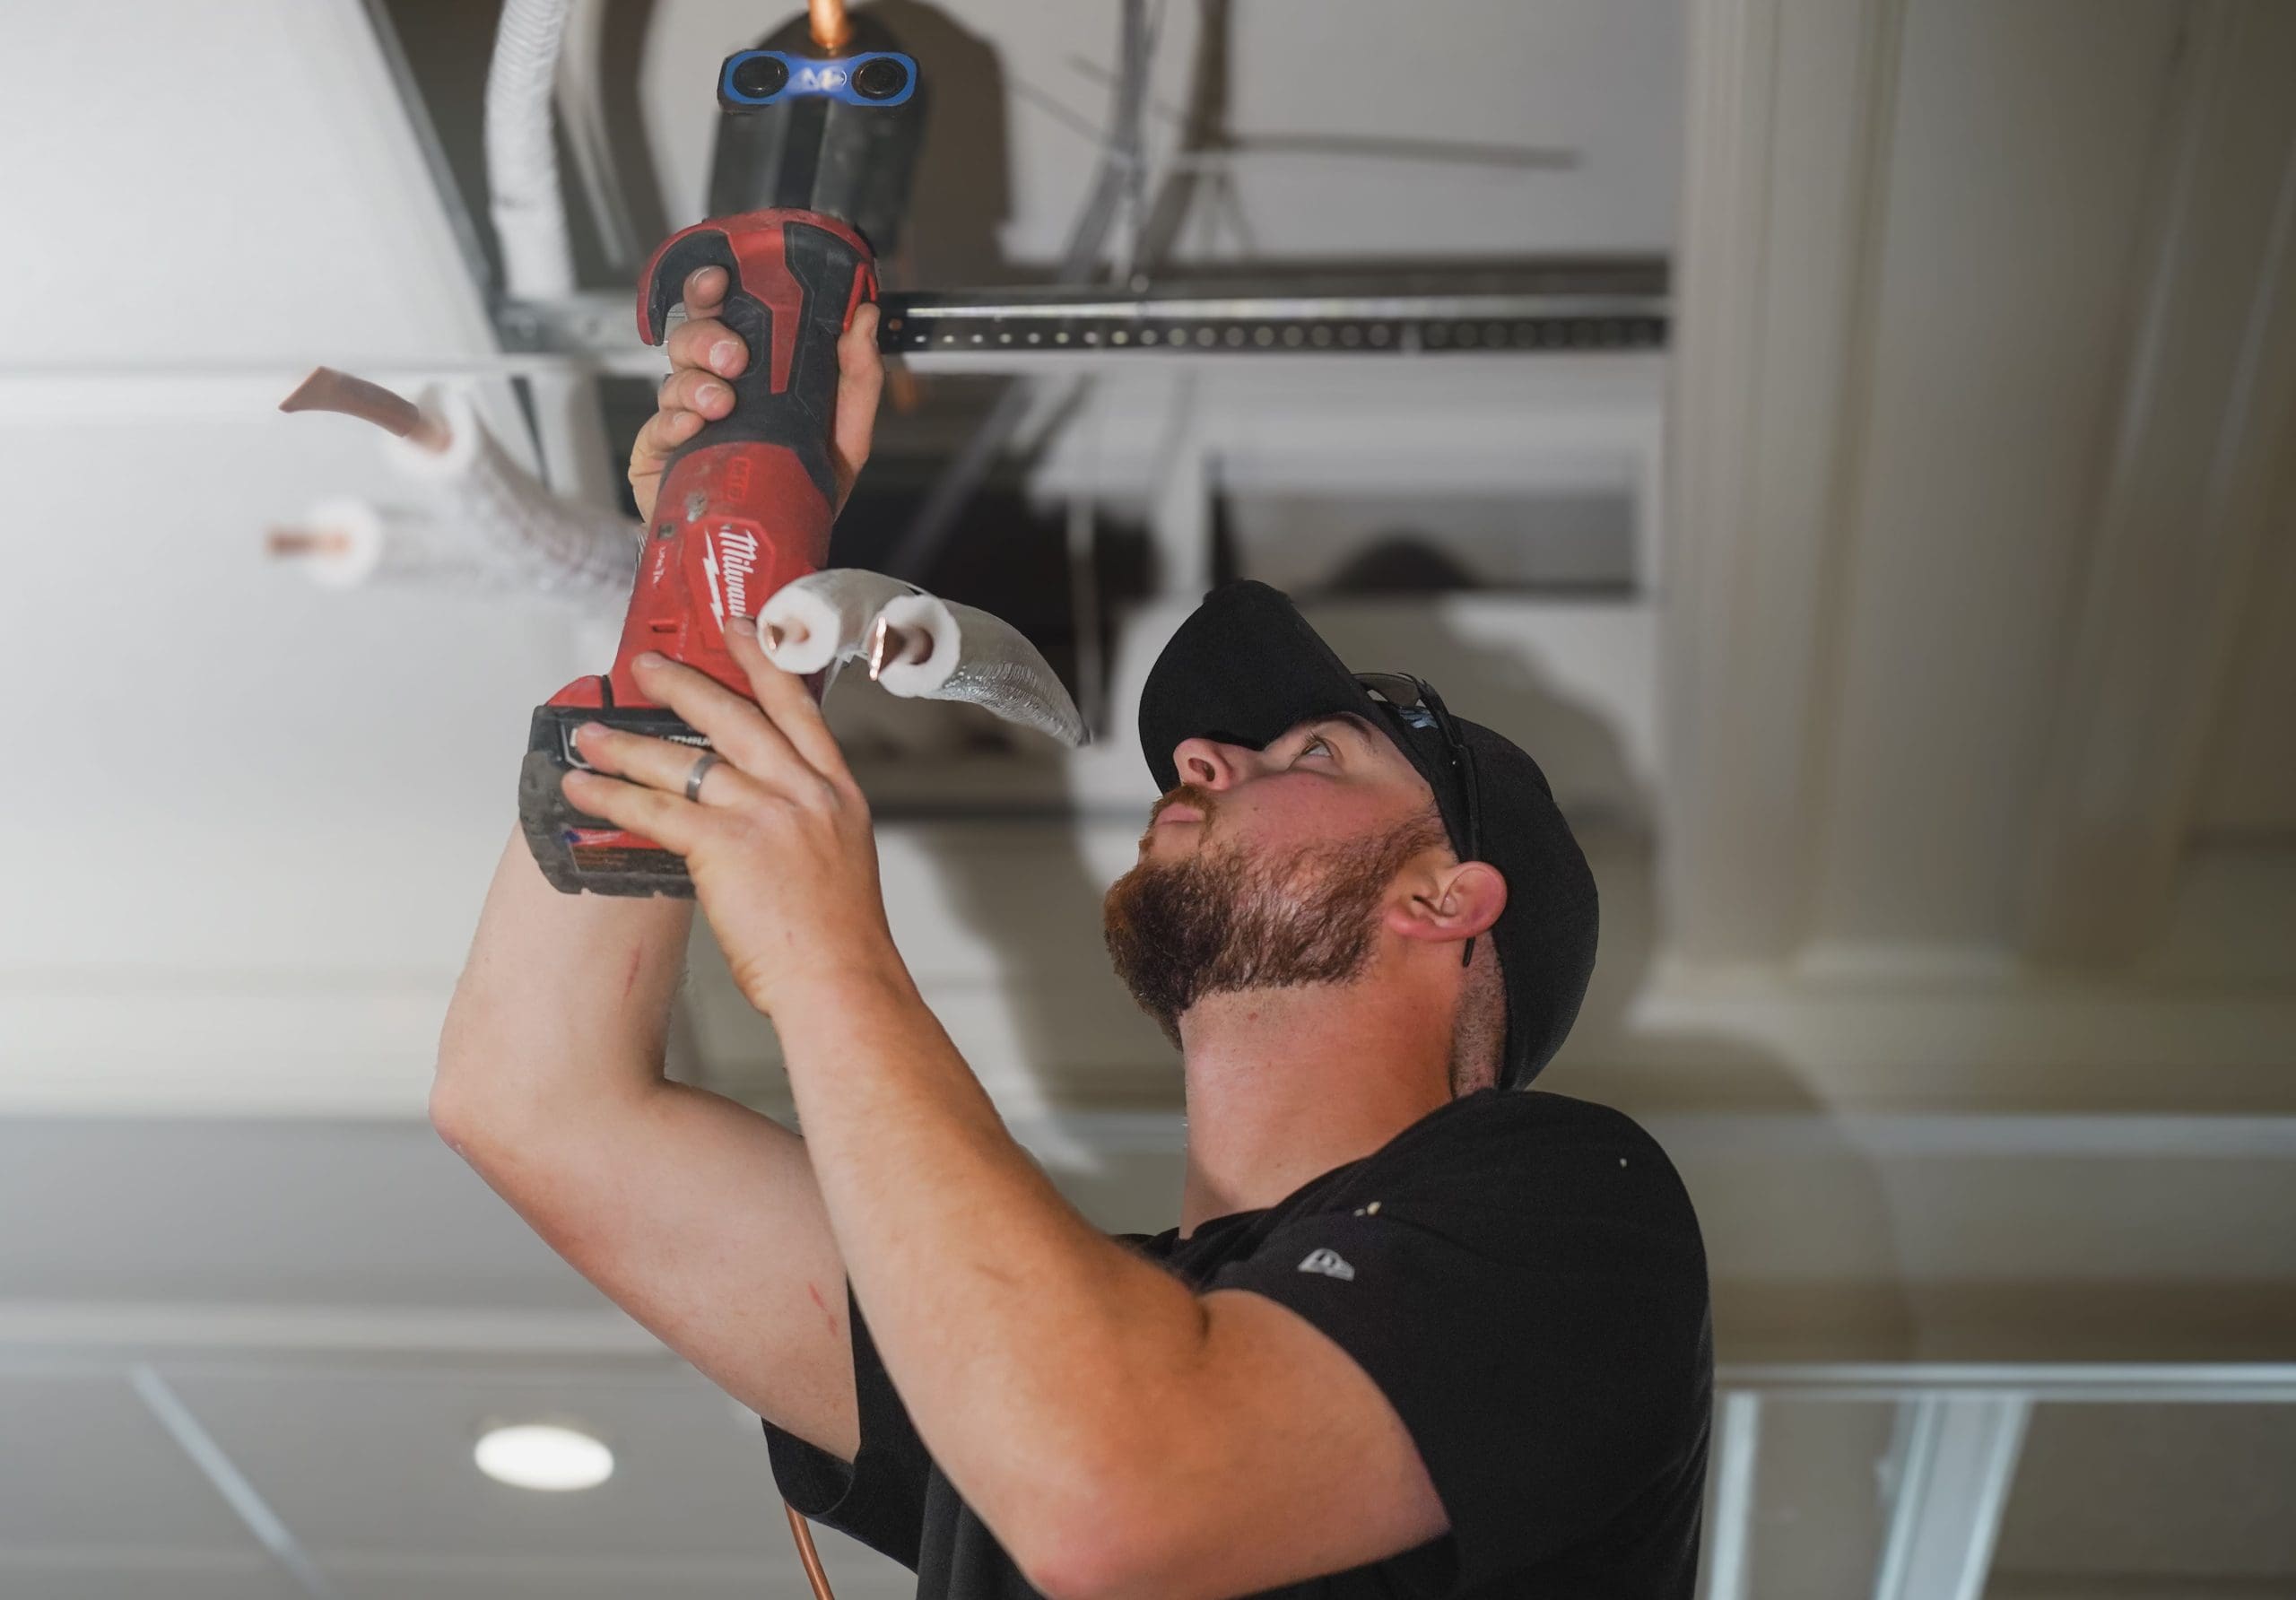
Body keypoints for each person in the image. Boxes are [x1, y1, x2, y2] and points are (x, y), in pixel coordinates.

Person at [434, 267, 1712, 1600]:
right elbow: (533, 1101)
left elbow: (1120, 1501)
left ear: (1445, 902)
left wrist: (830, 956)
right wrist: (697, 598)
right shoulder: (1037, 1323)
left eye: (1313, 749)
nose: (1204, 757)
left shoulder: (1570, 1216)